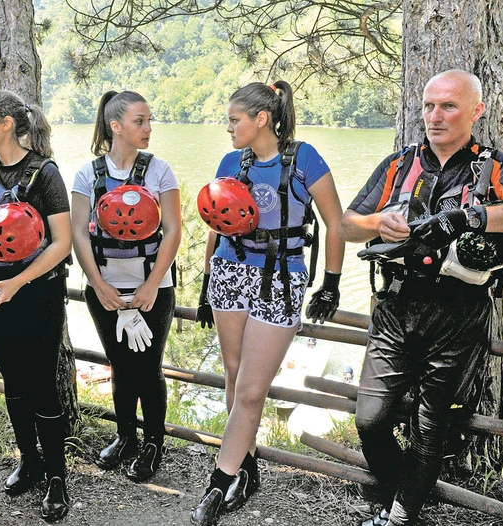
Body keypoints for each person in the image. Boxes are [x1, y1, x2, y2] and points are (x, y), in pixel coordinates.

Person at [340, 69, 503, 526]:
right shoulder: (399, 164)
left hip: (460, 310)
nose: (434, 116)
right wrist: (379, 223)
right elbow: (345, 224)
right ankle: (400, 497)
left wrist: (470, 219)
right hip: (397, 305)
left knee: (430, 425)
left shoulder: (496, 168)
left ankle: (399, 514)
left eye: (449, 106)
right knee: (371, 420)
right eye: (428, 106)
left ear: (476, 111)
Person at [191, 81, 345, 525]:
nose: (228, 128)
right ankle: (247, 467)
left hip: (281, 278)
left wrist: (331, 284)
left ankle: (217, 485)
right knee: (235, 377)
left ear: (261, 119)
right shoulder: (230, 162)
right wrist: (205, 283)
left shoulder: (304, 159)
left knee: (253, 389)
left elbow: (336, 223)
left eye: (234, 120)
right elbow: (216, 225)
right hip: (228, 273)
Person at [0, 91, 73, 523]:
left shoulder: (45, 174)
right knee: (13, 381)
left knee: (43, 384)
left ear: (7, 123)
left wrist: (16, 282)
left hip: (38, 295)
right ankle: (30, 459)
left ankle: (57, 477)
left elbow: (61, 243)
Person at [71, 90, 182, 482]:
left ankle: (153, 443)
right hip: (105, 290)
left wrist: (152, 285)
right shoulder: (88, 175)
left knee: (148, 368)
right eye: (140, 121)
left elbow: (172, 231)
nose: (148, 128)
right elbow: (78, 235)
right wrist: (98, 285)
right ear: (115, 126)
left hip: (153, 288)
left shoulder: (160, 171)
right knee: (120, 366)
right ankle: (125, 437)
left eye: (149, 120)